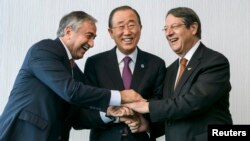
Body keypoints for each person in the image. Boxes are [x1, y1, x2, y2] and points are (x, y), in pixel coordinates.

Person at [0, 11, 144, 141]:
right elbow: (71, 91)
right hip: (23, 134)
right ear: (68, 31)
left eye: (93, 38)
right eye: (89, 36)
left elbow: (77, 119)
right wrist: (121, 96)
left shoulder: (76, 74)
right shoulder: (44, 50)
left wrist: (110, 113)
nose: (92, 44)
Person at [125, 7, 233, 141]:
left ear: (193, 28)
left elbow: (193, 102)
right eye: (165, 29)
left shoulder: (215, 61)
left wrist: (147, 106)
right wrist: (148, 126)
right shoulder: (171, 70)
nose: (168, 33)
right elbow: (171, 109)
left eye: (174, 26)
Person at [73, 5, 166, 141]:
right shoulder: (94, 64)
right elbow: (83, 114)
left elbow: (163, 109)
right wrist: (111, 114)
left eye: (131, 25)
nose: (127, 32)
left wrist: (146, 124)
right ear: (111, 32)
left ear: (140, 28)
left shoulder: (156, 64)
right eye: (121, 26)